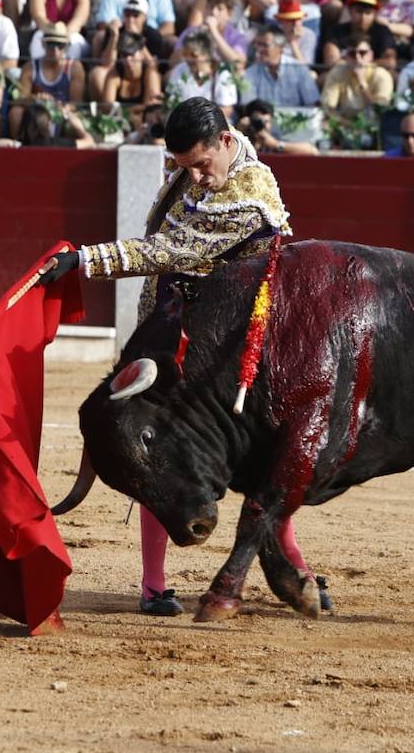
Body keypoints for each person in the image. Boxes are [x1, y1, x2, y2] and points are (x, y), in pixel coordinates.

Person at [29, 97, 327, 616]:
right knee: (157, 454)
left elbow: (171, 250)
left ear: (226, 143)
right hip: (179, 338)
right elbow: (165, 242)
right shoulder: (199, 170)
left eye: (201, 166)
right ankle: (153, 585)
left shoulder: (251, 195)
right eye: (184, 166)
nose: (195, 177)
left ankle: (295, 569)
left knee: (264, 460)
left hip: (234, 356)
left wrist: (85, 259)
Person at [321, 0, 398, 69]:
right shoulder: (336, 31)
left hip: (372, 76)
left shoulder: (383, 32)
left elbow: (390, 62)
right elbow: (331, 61)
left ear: (375, 14)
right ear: (350, 11)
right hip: (342, 76)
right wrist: (356, 65)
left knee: (393, 76)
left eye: (368, 13)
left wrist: (362, 64)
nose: (363, 17)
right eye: (359, 11)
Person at [242, 25, 320, 106]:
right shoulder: (251, 73)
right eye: (257, 45)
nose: (259, 49)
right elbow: (248, 105)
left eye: (265, 45)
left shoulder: (299, 69)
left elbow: (312, 103)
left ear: (280, 47)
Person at [171, 0, 248, 70]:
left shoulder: (237, 37)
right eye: (210, 7)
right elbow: (172, 62)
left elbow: (238, 65)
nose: (213, 12)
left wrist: (214, 32)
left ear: (229, 14)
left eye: (219, 9)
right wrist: (194, 41)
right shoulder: (192, 32)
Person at [320, 30, 394, 111]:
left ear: (370, 56)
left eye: (362, 53)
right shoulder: (337, 73)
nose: (357, 58)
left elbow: (380, 110)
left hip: (374, 122)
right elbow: (328, 109)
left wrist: (362, 83)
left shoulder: (382, 76)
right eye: (352, 54)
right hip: (343, 121)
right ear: (346, 57)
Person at [166, 31, 239, 110]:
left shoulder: (222, 72)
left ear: (206, 54)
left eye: (193, 55)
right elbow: (171, 102)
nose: (188, 59)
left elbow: (227, 108)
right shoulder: (180, 70)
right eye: (185, 54)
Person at [92, 29, 160, 110]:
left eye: (132, 55)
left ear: (142, 54)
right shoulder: (114, 74)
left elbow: (151, 107)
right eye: (124, 55)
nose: (128, 60)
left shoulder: (150, 74)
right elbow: (107, 107)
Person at [236, 97, 320, 155]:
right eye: (258, 121)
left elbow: (312, 151)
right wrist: (238, 132)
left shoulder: (272, 142)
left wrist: (276, 144)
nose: (262, 125)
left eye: (266, 122)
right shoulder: (238, 140)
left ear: (271, 123)